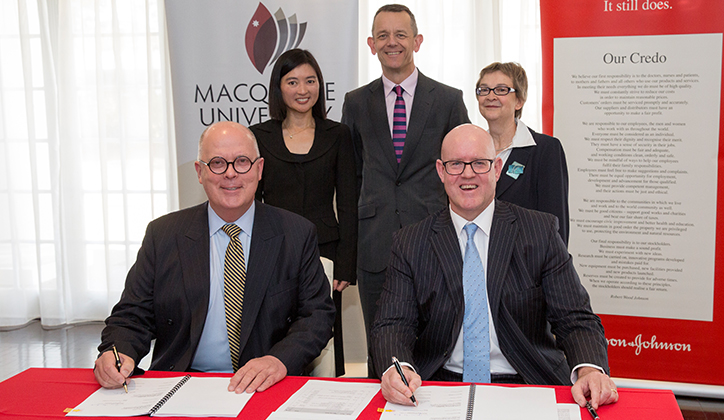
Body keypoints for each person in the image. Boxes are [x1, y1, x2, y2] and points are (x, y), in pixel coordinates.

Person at [371, 124, 618, 409]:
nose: (467, 173)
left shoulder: (540, 231)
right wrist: (397, 368)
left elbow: (575, 317)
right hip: (437, 386)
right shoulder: (411, 242)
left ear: (497, 168)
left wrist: (589, 369)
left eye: (479, 163)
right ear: (440, 171)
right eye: (455, 164)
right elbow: (392, 323)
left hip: (527, 380)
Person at [94, 121, 335, 394]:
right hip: (181, 385)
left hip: (264, 385)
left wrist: (278, 360)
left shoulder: (296, 234)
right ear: (199, 171)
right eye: (218, 163)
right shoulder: (163, 235)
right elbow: (132, 315)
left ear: (259, 169)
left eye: (242, 161)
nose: (230, 174)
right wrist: (118, 353)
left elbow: (317, 316)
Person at [341, 4, 469, 364]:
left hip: (434, 239)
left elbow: (463, 173)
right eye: (383, 35)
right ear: (371, 43)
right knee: (381, 350)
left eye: (400, 34)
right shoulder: (355, 102)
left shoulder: (447, 100)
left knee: (437, 348)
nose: (391, 42)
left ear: (417, 40)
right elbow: (351, 179)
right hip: (375, 243)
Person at [250, 49, 357, 376]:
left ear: (320, 86)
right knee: (273, 331)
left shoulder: (338, 135)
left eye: (310, 81)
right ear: (278, 87)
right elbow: (251, 203)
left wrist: (346, 264)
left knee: (323, 333)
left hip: (324, 253)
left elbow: (350, 203)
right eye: (293, 81)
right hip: (274, 250)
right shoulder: (258, 136)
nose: (302, 89)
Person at [476, 62, 569, 245]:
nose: (491, 96)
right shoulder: (472, 152)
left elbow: (556, 225)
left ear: (519, 101)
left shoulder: (545, 150)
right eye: (484, 90)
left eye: (501, 90)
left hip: (526, 265)